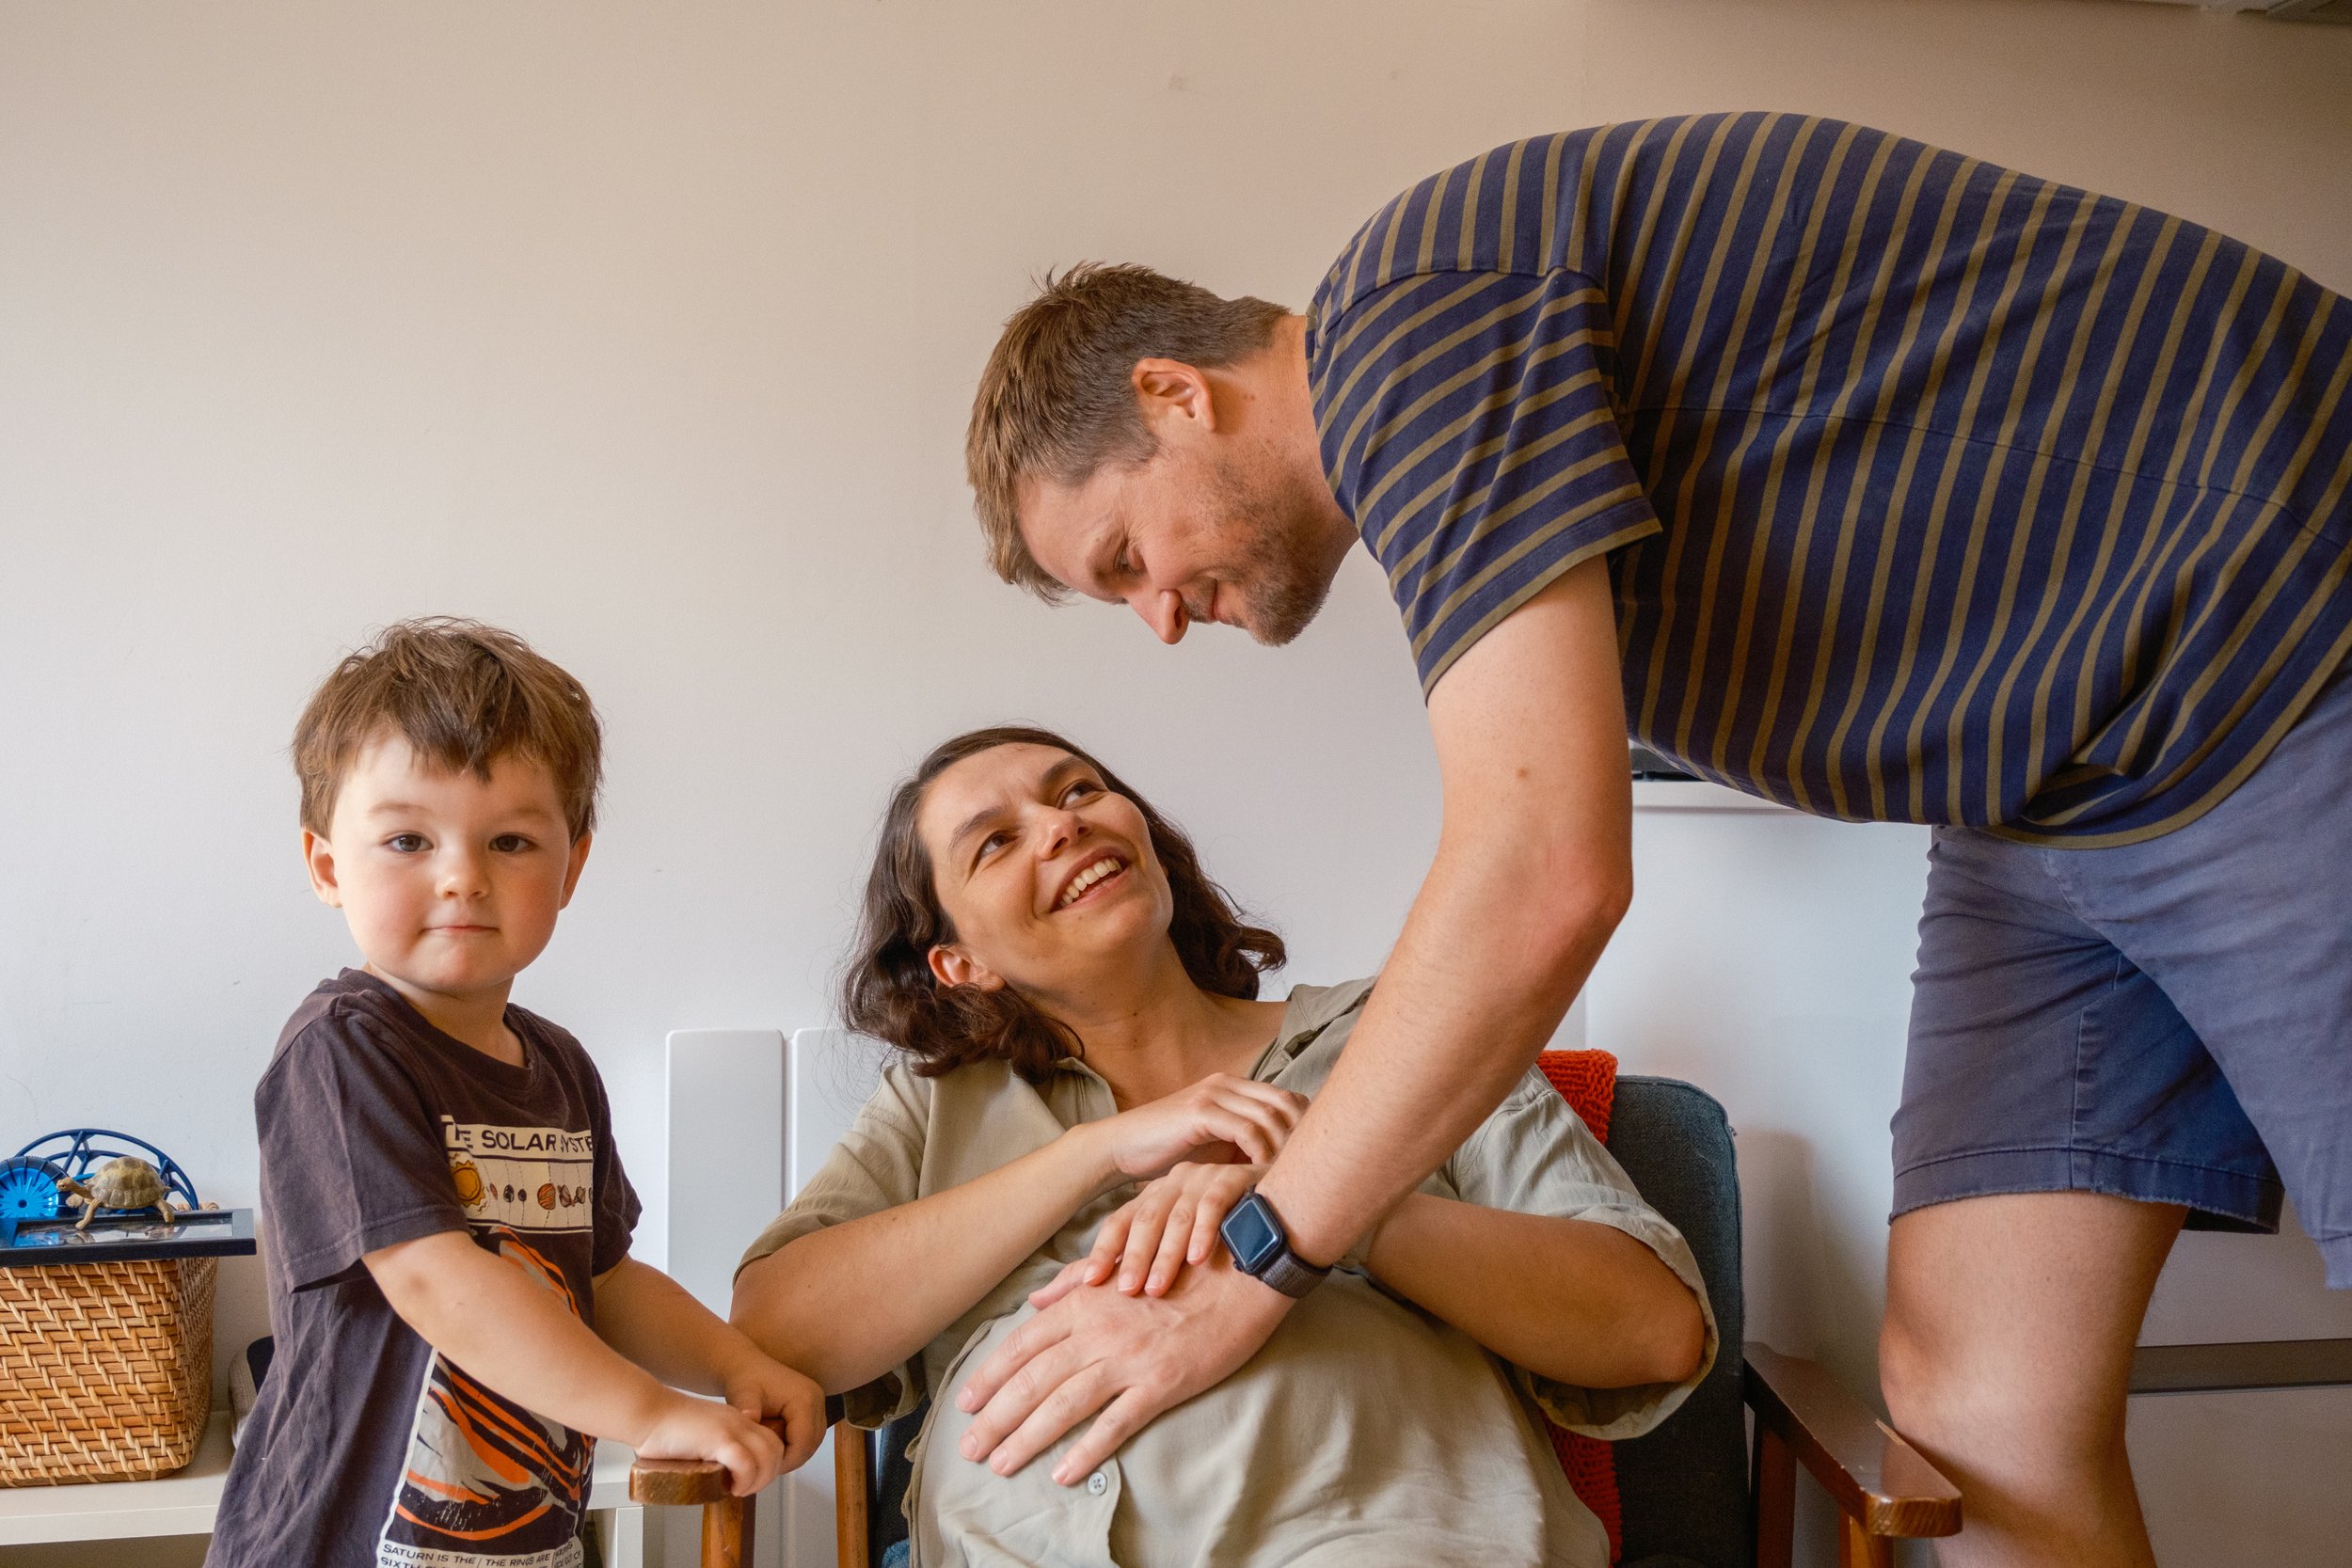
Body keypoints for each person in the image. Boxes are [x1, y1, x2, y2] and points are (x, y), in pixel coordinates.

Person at [959, 112, 2352, 1568]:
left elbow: (1543, 872)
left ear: (1175, 394)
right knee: (1976, 1409)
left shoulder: (1412, 318)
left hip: (2271, 620)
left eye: (1129, 557)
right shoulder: (1471, 434)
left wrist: (1255, 1262)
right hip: (2045, 787)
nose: (1161, 616)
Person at [730, 726, 1710, 1568]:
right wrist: (1100, 1150)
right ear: (961, 961)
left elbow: (1651, 1329)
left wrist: (1312, 1205)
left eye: (1078, 790)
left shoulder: (1396, 1036)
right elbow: (778, 1333)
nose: (1062, 824)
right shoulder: (936, 1105)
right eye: (996, 841)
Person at [210, 619, 826, 1568]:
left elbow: (606, 1281)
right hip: (341, 1544)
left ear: (571, 866)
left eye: (509, 840)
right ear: (328, 866)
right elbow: (434, 1279)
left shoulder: (560, 1065)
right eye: (408, 839)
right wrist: (652, 1410)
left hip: (519, 1542)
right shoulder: (341, 1049)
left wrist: (732, 1361)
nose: (462, 876)